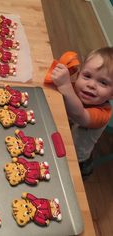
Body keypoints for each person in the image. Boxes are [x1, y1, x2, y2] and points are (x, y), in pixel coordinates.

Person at [51, 47, 113, 178]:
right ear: (78, 75)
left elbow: (80, 115)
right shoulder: (74, 87)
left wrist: (65, 86)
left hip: (76, 158)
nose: (91, 85)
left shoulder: (103, 113)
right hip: (58, 142)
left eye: (103, 82)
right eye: (87, 76)